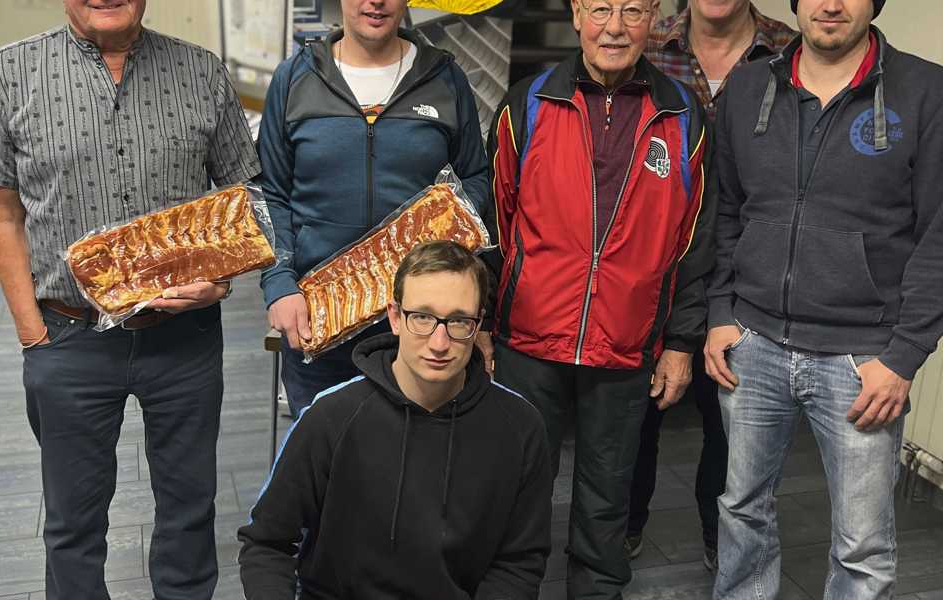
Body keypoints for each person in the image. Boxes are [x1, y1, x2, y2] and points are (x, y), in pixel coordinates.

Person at [0, 1, 260, 597]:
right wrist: (33, 335)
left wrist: (222, 279)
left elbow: (240, 202)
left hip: (185, 340)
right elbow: (4, 214)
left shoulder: (202, 71)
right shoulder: (9, 72)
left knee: (188, 508)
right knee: (73, 524)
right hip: (68, 337)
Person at [706, 0, 943, 597]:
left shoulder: (929, 92)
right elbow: (724, 213)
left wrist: (902, 358)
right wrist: (721, 314)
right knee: (741, 512)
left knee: (862, 546)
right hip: (754, 343)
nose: (831, 5)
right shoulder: (747, 87)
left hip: (861, 358)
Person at [484, 0, 715, 595]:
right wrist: (485, 322)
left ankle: (596, 588)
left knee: (608, 493)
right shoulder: (525, 105)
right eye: (602, 8)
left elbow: (696, 242)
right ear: (578, 12)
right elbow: (496, 222)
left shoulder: (684, 116)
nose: (615, 27)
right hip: (529, 340)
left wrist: (682, 343)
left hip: (628, 342)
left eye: (633, 11)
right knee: (516, 486)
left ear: (653, 18)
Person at [238, 240, 552, 599]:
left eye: (459, 321)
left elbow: (519, 562)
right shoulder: (332, 417)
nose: (439, 342)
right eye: (422, 317)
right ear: (395, 317)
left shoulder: (520, 428)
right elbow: (266, 542)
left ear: (478, 324)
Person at [626, 0, 795, 571]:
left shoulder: (791, 52)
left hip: (749, 275)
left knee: (731, 427)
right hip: (654, 265)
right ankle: (624, 527)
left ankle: (718, 537)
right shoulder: (647, 42)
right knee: (636, 414)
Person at [257, 0, 489, 417]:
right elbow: (271, 193)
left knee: (415, 459)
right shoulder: (295, 79)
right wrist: (280, 284)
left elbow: (475, 177)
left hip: (420, 325)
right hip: (319, 316)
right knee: (325, 460)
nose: (375, 2)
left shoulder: (445, 78)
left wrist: (438, 227)